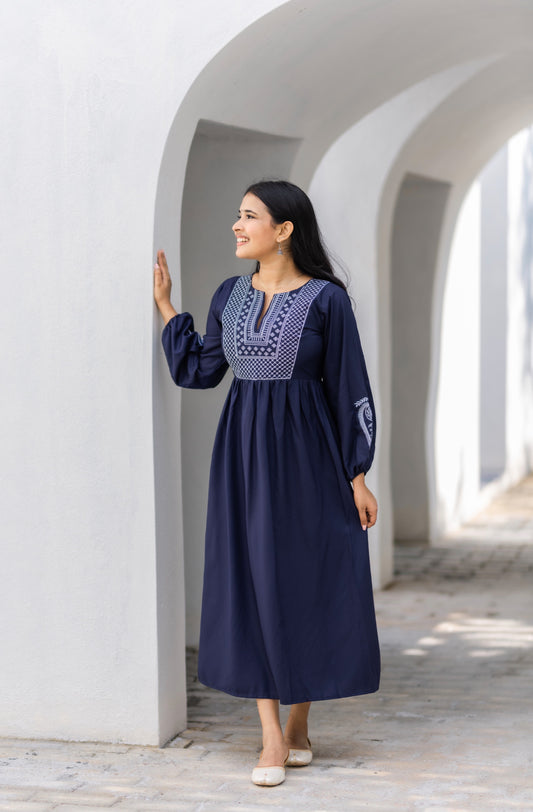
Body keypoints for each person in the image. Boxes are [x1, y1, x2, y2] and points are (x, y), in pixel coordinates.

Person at [153, 179, 380, 787]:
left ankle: (301, 720)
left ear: (284, 230)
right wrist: (170, 310)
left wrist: (357, 473)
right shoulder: (231, 294)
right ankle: (272, 736)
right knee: (252, 580)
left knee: (308, 578)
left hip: (312, 461)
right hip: (244, 461)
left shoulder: (327, 301)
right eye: (237, 214)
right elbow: (202, 369)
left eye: (249, 216)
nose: (236, 225)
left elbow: (350, 385)